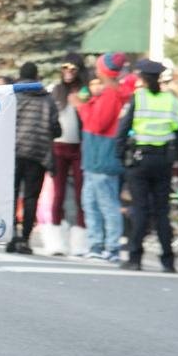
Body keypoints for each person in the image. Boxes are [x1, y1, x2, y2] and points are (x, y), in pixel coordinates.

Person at [117, 59, 178, 272]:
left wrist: (120, 155)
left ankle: (135, 258)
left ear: (142, 78)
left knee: (140, 208)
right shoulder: (173, 102)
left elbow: (123, 128)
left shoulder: (138, 98)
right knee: (162, 210)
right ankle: (168, 261)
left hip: (139, 160)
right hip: (163, 161)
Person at [76, 53, 132, 263]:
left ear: (104, 70)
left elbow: (98, 125)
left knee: (105, 204)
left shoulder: (110, 94)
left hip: (102, 158)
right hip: (95, 159)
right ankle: (97, 245)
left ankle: (111, 246)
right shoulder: (111, 93)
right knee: (90, 202)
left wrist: (82, 107)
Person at [8, 62, 61, 254]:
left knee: (11, 195)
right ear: (37, 76)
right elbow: (56, 128)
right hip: (38, 154)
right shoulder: (47, 99)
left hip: (13, 152)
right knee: (31, 197)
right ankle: (25, 239)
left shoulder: (13, 96)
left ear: (20, 76)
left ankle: (12, 235)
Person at [43, 53, 88, 255]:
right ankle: (55, 241)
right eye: (64, 68)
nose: (68, 72)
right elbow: (51, 120)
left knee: (81, 195)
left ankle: (80, 242)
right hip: (59, 147)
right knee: (58, 193)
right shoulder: (56, 91)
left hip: (80, 147)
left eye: (72, 69)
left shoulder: (85, 91)